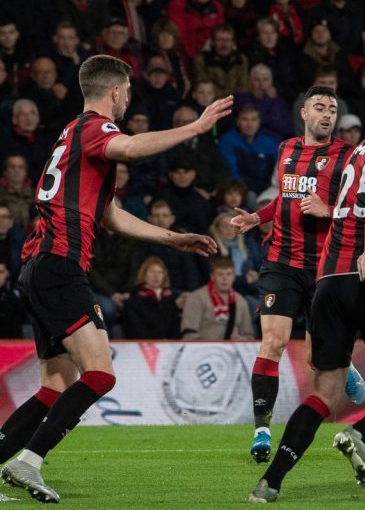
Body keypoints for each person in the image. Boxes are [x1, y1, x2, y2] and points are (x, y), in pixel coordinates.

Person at [0, 54, 230, 504]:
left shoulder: (72, 135)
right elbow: (129, 148)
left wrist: (174, 239)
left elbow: (111, 216)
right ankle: (28, 462)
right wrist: (194, 128)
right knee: (101, 375)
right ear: (115, 91)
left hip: (41, 266)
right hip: (60, 264)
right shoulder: (94, 127)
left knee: (56, 385)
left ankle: (18, 460)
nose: (129, 98)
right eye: (128, 90)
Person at [246, 67, 365, 503]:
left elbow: (345, 213)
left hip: (330, 280)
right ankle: (359, 433)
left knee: (325, 393)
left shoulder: (362, 147)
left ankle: (270, 482)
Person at [229, 86, 365, 464]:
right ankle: (261, 430)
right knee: (273, 343)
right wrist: (257, 217)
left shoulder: (347, 156)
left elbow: (362, 205)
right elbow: (285, 198)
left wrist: (329, 209)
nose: (327, 114)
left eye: (332, 109)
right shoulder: (286, 149)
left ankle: (343, 362)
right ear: (304, 113)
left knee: (316, 358)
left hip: (324, 267)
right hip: (281, 262)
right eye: (319, 107)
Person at [180, 256, 255, 340]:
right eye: (220, 274)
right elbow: (189, 334)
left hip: (233, 348)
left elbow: (249, 336)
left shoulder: (241, 301)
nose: (225, 279)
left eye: (228, 274)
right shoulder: (197, 298)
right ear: (212, 276)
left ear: (234, 277)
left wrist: (241, 340)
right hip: (204, 347)